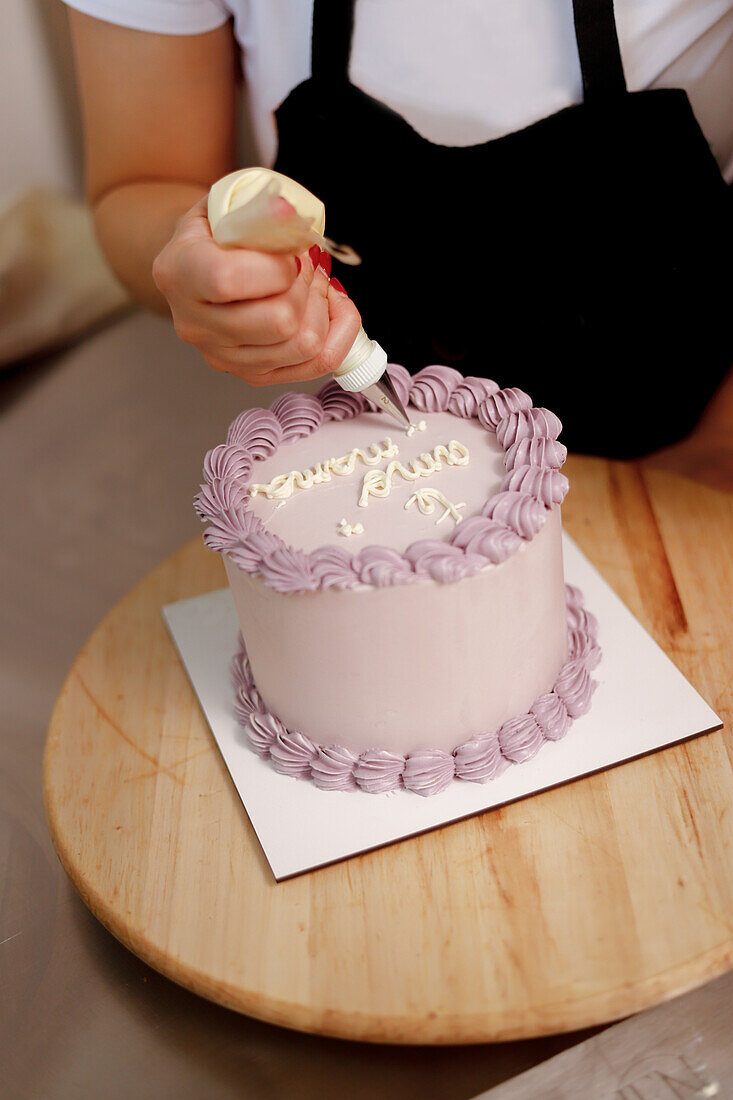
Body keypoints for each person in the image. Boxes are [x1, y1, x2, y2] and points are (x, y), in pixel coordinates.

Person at [64, 0, 733, 483]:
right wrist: (200, 265)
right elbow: (142, 181)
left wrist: (718, 445)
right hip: (379, 478)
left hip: (695, 451)